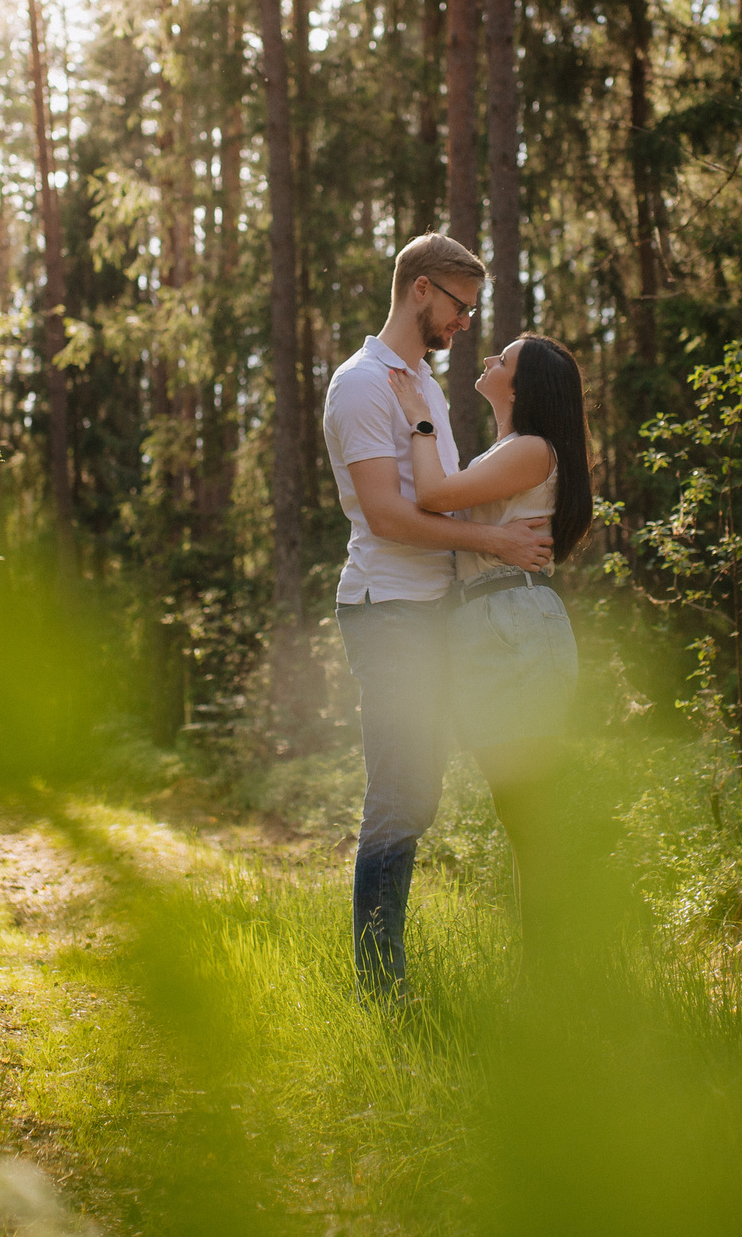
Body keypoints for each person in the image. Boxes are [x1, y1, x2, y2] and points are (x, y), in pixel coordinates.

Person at [321, 234, 554, 995]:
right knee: (402, 796)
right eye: (460, 305)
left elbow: (442, 494)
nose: (465, 323)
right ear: (421, 288)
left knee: (433, 791)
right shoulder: (363, 384)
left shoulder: (421, 385)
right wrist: (496, 541)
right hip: (389, 610)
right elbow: (389, 515)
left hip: (435, 610)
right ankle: (380, 988)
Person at [390, 335, 591, 961]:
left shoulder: (531, 449)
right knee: (519, 811)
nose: (487, 361)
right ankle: (548, 970)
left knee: (529, 811)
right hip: (493, 623)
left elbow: (432, 497)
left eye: (502, 360)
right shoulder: (509, 451)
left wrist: (419, 417)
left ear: (522, 387)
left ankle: (556, 972)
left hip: (515, 625)